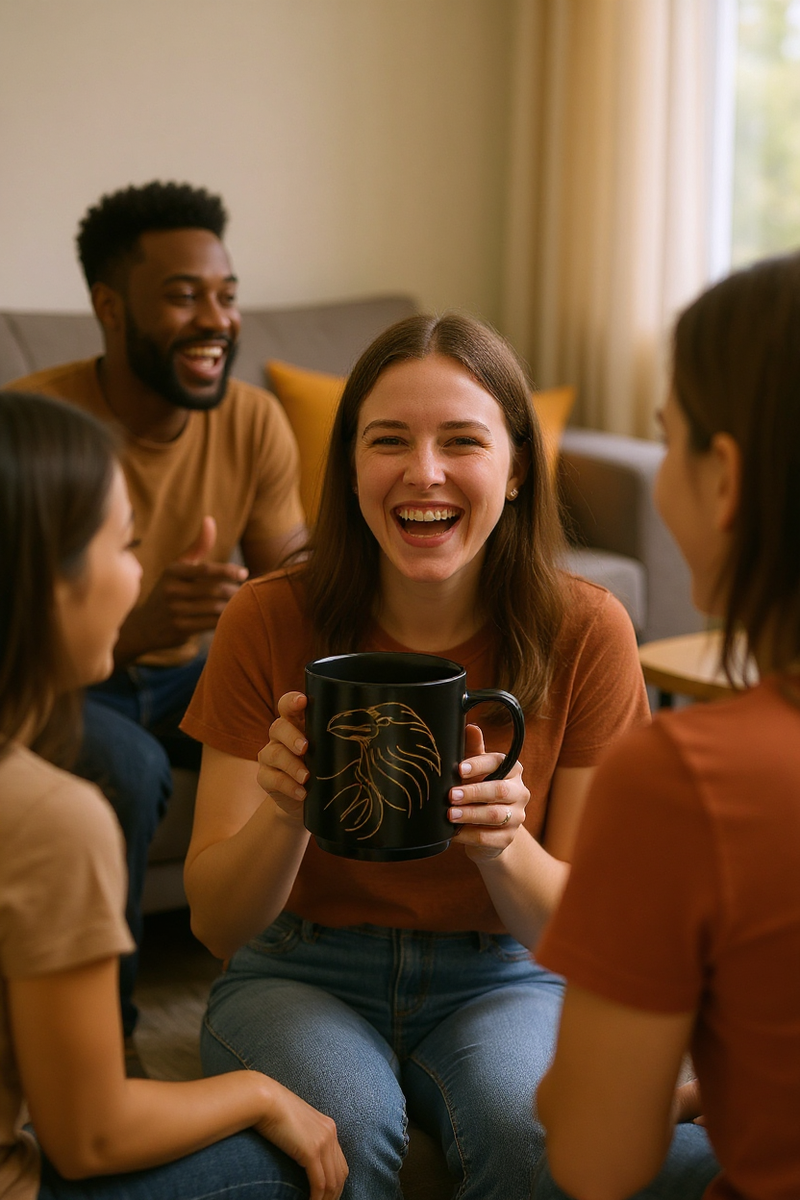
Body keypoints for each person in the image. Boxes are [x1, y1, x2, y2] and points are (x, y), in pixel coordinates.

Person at [179, 311, 651, 1199]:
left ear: (515, 469)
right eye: (387, 440)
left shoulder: (589, 631)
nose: (422, 472)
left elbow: (592, 939)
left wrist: (506, 846)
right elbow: (214, 925)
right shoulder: (268, 617)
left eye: (462, 441)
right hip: (298, 963)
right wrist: (285, 812)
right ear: (352, 468)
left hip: (504, 974)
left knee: (535, 1136)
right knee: (342, 1129)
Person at [0, 390, 346, 1200]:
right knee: (305, 1154)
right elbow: (88, 1137)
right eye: (128, 546)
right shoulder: (51, 816)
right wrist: (261, 1093)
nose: (139, 575)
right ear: (49, 583)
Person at [7, 181, 306, 1050]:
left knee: (304, 720)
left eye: (226, 294)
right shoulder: (41, 428)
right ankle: (110, 1044)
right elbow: (11, 633)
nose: (215, 318)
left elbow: (295, 570)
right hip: (67, 685)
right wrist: (141, 623)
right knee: (129, 770)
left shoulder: (253, 421)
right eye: (183, 296)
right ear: (109, 306)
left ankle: (298, 987)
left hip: (192, 675)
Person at [532, 253, 800, 1200]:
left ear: (723, 478)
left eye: (666, 440)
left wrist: (573, 1088)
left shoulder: (685, 779)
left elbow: (596, 1158)